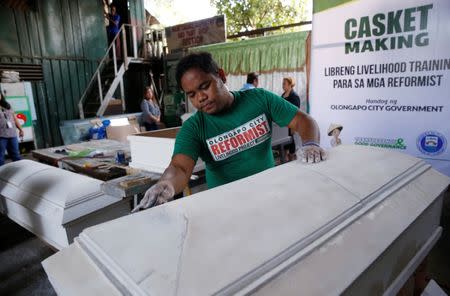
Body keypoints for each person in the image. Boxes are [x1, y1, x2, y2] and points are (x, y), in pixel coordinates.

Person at [132, 52, 326, 212]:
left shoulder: (259, 100)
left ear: (221, 75)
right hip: (226, 208)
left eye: (204, 86)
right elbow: (180, 168)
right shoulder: (194, 128)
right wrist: (166, 184)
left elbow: (303, 121)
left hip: (270, 195)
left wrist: (311, 144)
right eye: (191, 94)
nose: (200, 98)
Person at [0, 93, 23, 166]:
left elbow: (14, 118)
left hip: (12, 134)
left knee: (16, 155)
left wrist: (20, 129)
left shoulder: (7, 105)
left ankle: (19, 172)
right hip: (1, 136)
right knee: (0, 158)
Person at [281, 77, 301, 161]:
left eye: (284, 84)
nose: (282, 85)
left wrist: (293, 127)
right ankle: (285, 158)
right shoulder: (282, 95)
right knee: (284, 141)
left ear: (290, 85)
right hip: (284, 123)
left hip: (291, 123)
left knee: (291, 141)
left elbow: (296, 112)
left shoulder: (294, 96)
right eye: (282, 83)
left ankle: (292, 158)